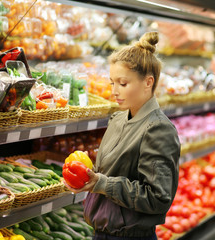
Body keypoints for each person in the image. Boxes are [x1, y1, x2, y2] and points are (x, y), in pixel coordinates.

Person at [64, 31, 181, 240]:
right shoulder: (118, 119)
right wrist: (85, 178)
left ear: (148, 82)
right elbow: (111, 174)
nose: (114, 91)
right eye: (112, 83)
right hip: (101, 233)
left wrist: (102, 183)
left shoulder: (158, 129)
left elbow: (158, 197)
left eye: (123, 83)